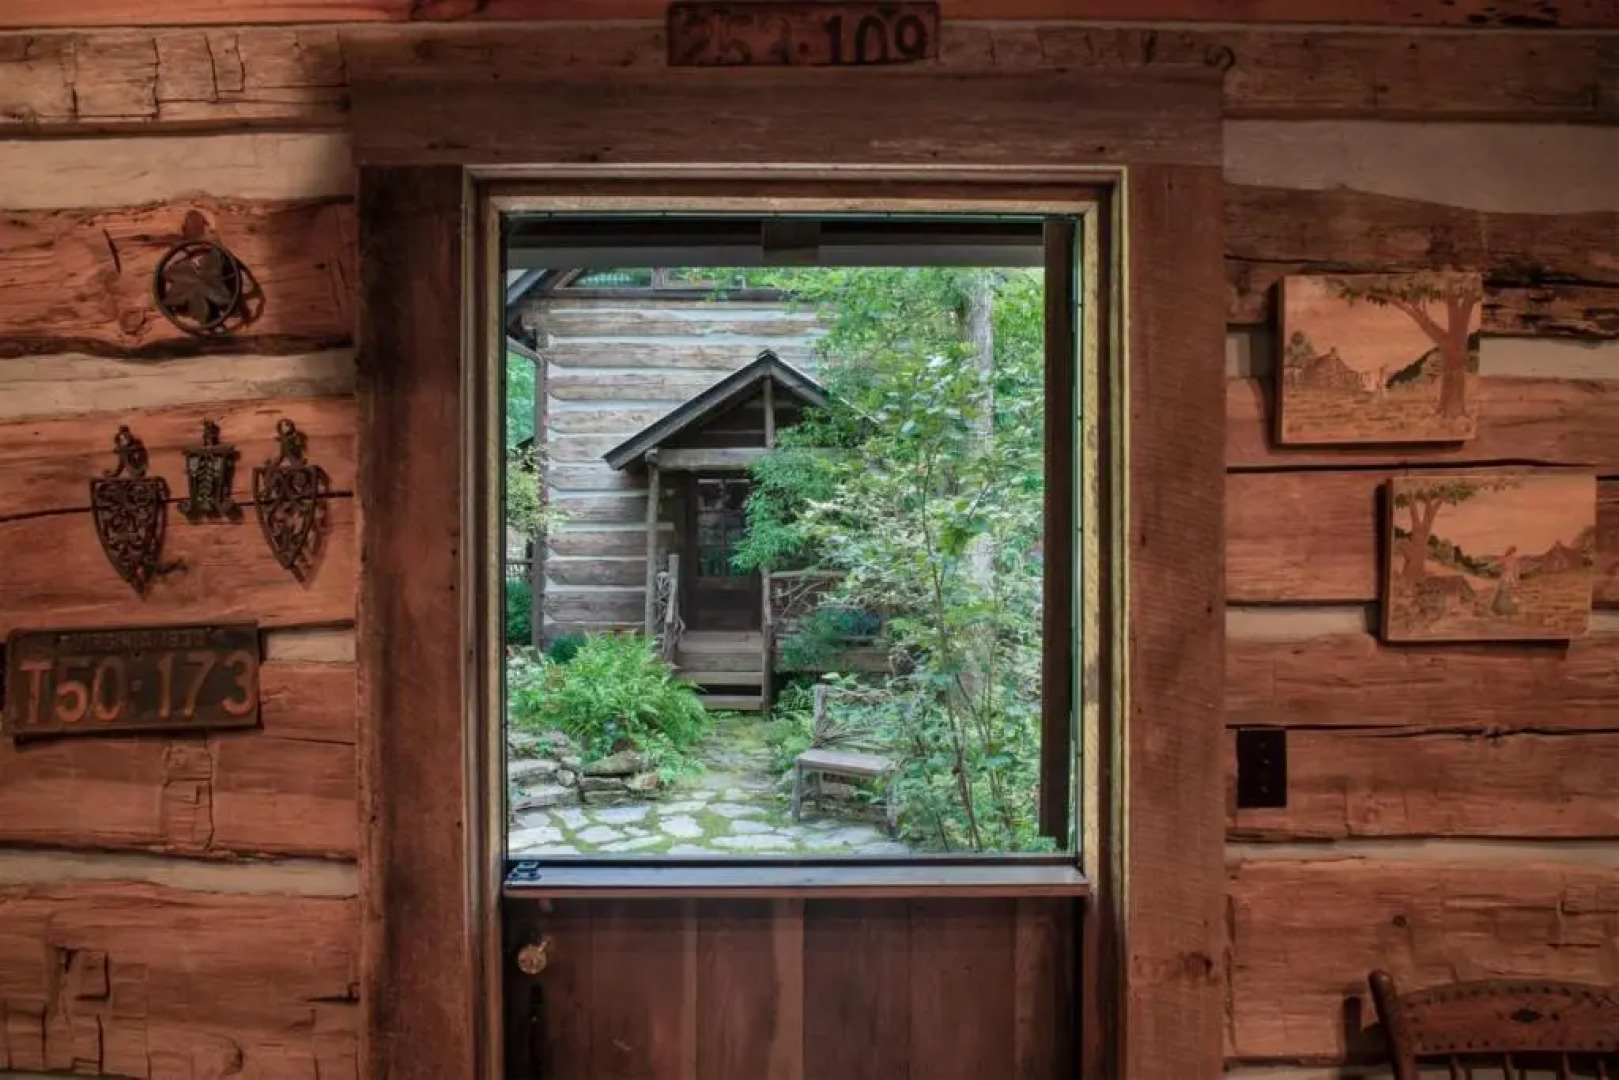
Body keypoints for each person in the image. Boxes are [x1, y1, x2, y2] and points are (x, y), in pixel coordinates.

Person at [1491, 546, 1520, 616]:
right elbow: (1497, 565)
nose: (1513, 553)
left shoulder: (1514, 560)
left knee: (1510, 593)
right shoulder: (1505, 559)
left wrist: (1516, 578)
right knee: (1503, 592)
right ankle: (1501, 610)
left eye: (1513, 552)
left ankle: (1510, 610)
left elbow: (1516, 570)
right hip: (1505, 577)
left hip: (1510, 577)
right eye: (1512, 551)